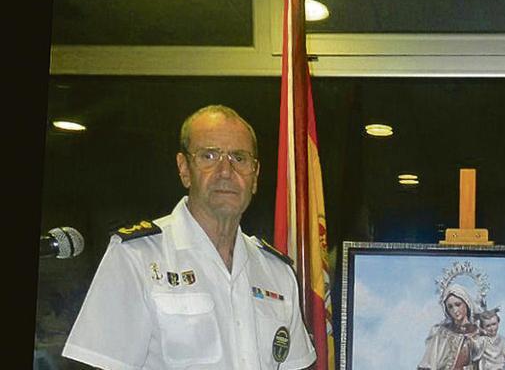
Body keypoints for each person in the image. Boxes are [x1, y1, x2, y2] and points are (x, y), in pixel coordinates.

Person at [62, 105, 317, 369]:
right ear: (184, 169)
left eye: (239, 158)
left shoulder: (277, 273)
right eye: (209, 156)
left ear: (255, 175)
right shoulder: (137, 258)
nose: (226, 171)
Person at [419, 284, 485, 370]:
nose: (455, 310)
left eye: (458, 304)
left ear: (467, 303)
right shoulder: (441, 333)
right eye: (450, 307)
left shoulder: (478, 333)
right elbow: (428, 362)